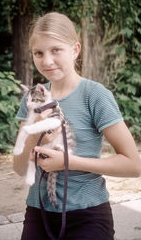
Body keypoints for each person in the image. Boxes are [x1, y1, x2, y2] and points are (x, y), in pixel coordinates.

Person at [13, 12, 141, 240]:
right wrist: (34, 133)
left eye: (56, 50)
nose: (47, 61)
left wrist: (67, 163)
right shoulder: (35, 96)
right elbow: (20, 168)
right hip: (38, 213)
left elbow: (133, 165)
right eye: (38, 53)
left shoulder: (95, 95)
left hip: (88, 215)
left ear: (75, 50)